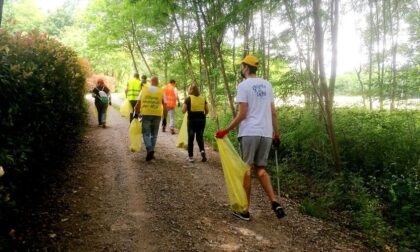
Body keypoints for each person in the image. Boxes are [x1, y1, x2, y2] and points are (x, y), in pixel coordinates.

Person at [216, 55, 286, 221]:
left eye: (242, 67)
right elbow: (274, 113)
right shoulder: (267, 85)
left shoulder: (244, 86)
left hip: (249, 132)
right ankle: (274, 201)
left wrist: (226, 130)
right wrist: (276, 134)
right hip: (266, 133)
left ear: (246, 68)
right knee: (261, 169)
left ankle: (244, 210)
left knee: (246, 170)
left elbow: (242, 114)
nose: (242, 69)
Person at [134, 76, 165, 161]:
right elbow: (165, 104)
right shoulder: (161, 91)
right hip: (157, 114)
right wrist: (165, 117)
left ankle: (149, 149)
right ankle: (151, 151)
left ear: (150, 82)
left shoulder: (144, 89)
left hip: (146, 113)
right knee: (154, 135)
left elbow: (138, 103)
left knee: (146, 133)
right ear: (157, 82)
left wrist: (136, 113)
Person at [182, 85, 209, 162]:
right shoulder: (203, 99)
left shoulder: (188, 98)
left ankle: (191, 156)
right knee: (200, 136)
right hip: (201, 120)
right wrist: (202, 115)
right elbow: (207, 110)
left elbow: (183, 110)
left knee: (191, 137)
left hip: (192, 120)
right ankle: (202, 151)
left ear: (190, 90)